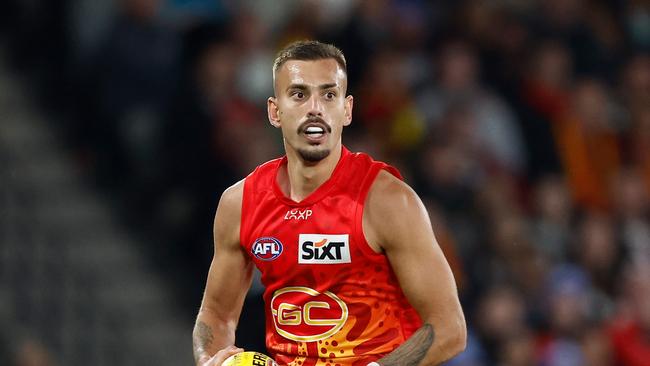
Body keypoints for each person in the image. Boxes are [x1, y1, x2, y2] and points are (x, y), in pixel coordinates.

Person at [193, 40, 466, 366]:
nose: (315, 108)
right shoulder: (240, 203)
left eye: (328, 94)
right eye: (298, 94)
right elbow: (216, 315)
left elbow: (450, 328)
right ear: (274, 111)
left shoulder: (388, 201)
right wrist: (211, 359)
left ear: (346, 110)